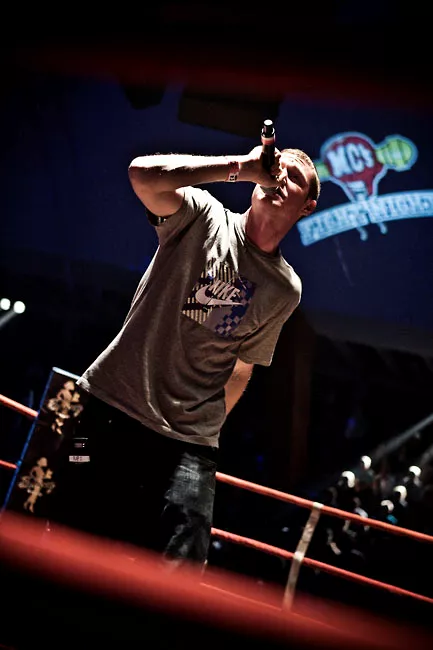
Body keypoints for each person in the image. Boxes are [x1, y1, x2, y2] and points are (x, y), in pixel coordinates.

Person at [50, 141, 320, 572]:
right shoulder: (203, 215)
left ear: (307, 206)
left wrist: (198, 425)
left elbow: (243, 365)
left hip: (186, 445)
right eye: (276, 167)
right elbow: (141, 175)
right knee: (64, 529)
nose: (280, 177)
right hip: (104, 411)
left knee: (182, 568)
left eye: (296, 177)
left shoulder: (285, 289)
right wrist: (242, 166)